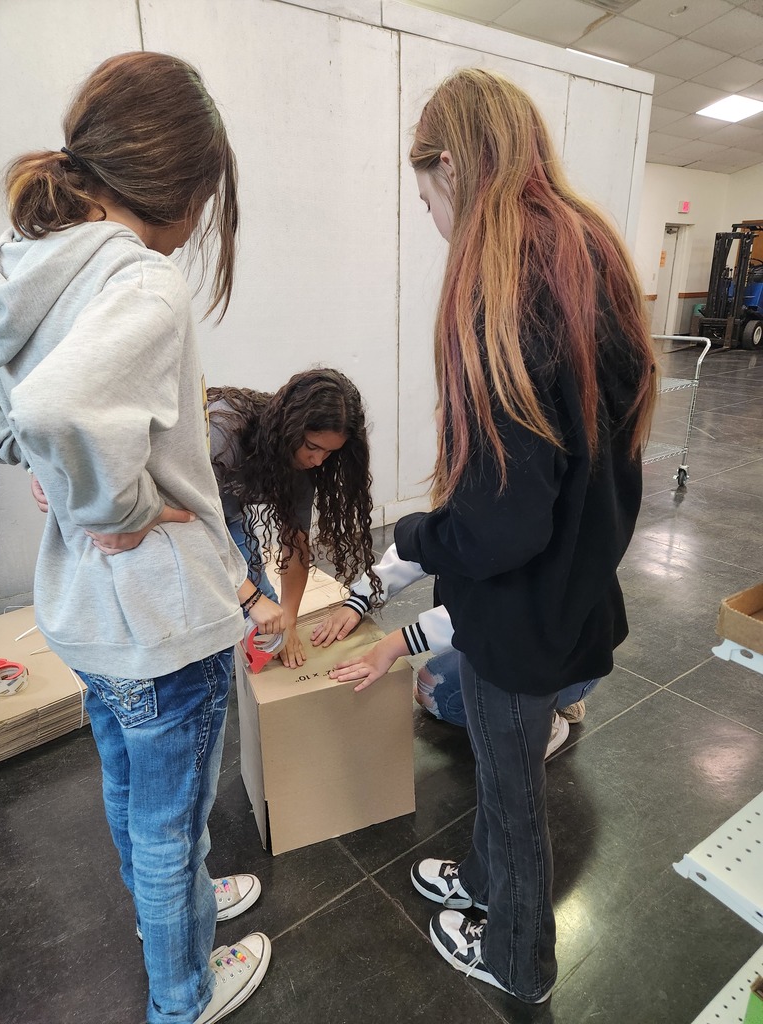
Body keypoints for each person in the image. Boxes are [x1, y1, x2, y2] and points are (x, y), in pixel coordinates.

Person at [335, 68, 656, 1004]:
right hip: (573, 587)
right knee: (499, 765)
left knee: (512, 799)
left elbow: (503, 519)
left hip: (520, 612)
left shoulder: (499, 279)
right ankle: (477, 887)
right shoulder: (586, 246)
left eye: (427, 196)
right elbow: (591, 463)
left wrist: (421, 534)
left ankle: (519, 959)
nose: (432, 218)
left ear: (447, 165)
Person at [0, 52, 283, 1024]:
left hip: (88, 618)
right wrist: (109, 505)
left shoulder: (33, 262)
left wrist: (52, 475)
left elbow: (21, 411)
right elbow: (58, 405)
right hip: (163, 620)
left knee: (132, 790)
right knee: (169, 822)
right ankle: (184, 990)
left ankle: (173, 908)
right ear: (184, 185)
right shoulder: (147, 285)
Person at [314, 541, 595, 751]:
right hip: (560, 647)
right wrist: (360, 598)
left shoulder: (522, 521)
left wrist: (392, 645)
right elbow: (427, 542)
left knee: (434, 690)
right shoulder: (488, 496)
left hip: (562, 652)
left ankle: (540, 723)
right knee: (453, 671)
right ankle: (558, 695)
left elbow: (494, 608)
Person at [208, 370, 381, 668]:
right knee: (225, 616)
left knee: (269, 624)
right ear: (288, 428)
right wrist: (251, 600)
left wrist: (288, 619)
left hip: (227, 513)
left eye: (329, 452)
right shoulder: (221, 433)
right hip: (179, 521)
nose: (318, 461)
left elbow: (296, 545)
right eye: (313, 447)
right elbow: (197, 533)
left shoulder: (307, 464)